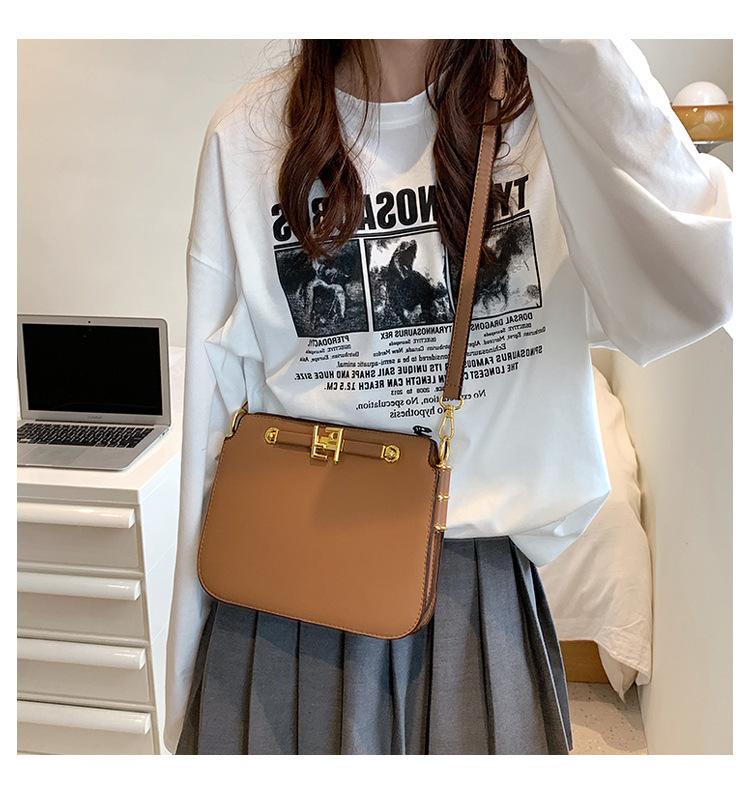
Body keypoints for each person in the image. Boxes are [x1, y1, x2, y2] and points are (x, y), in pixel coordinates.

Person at [165, 39, 732, 755]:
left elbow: (704, 285)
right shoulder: (248, 134)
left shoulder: (556, 107)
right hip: (282, 597)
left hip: (472, 598)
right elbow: (211, 420)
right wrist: (188, 683)